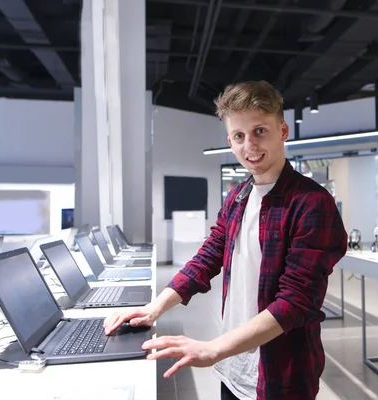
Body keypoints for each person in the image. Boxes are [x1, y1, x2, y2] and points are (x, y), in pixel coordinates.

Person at [103, 81, 348, 400]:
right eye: (239, 136)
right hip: (234, 367)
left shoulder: (311, 203)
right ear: (230, 140)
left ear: (283, 130)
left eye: (260, 131)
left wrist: (213, 349)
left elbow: (296, 301)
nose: (250, 146)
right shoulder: (237, 197)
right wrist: (154, 308)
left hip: (282, 375)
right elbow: (208, 257)